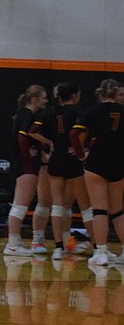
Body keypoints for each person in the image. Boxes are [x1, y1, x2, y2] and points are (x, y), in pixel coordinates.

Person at [71, 79, 124, 267]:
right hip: (119, 163)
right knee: (118, 211)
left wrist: (80, 154)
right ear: (116, 93)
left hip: (97, 162)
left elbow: (74, 134)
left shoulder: (93, 110)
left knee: (100, 210)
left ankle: (101, 252)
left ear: (101, 92)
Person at [36, 82, 91, 259]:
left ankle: (58, 248)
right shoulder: (77, 111)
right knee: (85, 206)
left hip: (56, 159)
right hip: (72, 161)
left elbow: (32, 131)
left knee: (57, 206)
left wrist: (49, 142)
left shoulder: (49, 112)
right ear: (74, 96)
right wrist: (80, 148)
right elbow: (87, 132)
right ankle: (99, 248)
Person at [3, 85, 52, 257]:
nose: (46, 100)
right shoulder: (28, 114)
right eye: (44, 97)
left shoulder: (24, 114)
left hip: (23, 163)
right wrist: (28, 155)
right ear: (35, 99)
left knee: (19, 204)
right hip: (26, 165)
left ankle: (14, 242)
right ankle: (12, 245)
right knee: (20, 205)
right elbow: (23, 136)